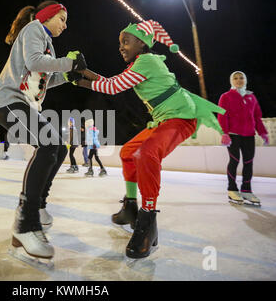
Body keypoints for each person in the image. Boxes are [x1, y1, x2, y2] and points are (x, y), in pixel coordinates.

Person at [70, 20, 225, 259]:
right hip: (164, 120)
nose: (121, 47)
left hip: (181, 118)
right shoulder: (139, 64)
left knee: (146, 154)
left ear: (142, 43)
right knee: (127, 153)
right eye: (120, 43)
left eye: (126, 42)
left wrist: (79, 80)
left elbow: (112, 88)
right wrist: (84, 71)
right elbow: (112, 82)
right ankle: (131, 207)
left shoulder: (148, 61)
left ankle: (148, 220)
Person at [0, 0, 86, 261]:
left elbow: (44, 78)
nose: (65, 26)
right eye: (62, 19)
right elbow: (35, 62)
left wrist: (68, 75)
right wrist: (67, 63)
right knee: (49, 145)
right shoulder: (34, 29)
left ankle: (38, 206)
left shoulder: (46, 40)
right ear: (46, 16)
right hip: (9, 101)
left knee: (58, 146)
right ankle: (26, 222)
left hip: (27, 105)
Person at [217, 71, 269, 206]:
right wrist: (224, 133)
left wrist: (263, 132)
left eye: (241, 78)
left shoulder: (251, 97)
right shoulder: (226, 96)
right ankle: (232, 189)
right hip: (233, 135)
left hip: (249, 135)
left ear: (245, 80)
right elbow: (222, 115)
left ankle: (246, 190)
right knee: (234, 161)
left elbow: (257, 117)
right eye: (235, 78)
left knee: (248, 162)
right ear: (231, 81)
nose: (238, 80)